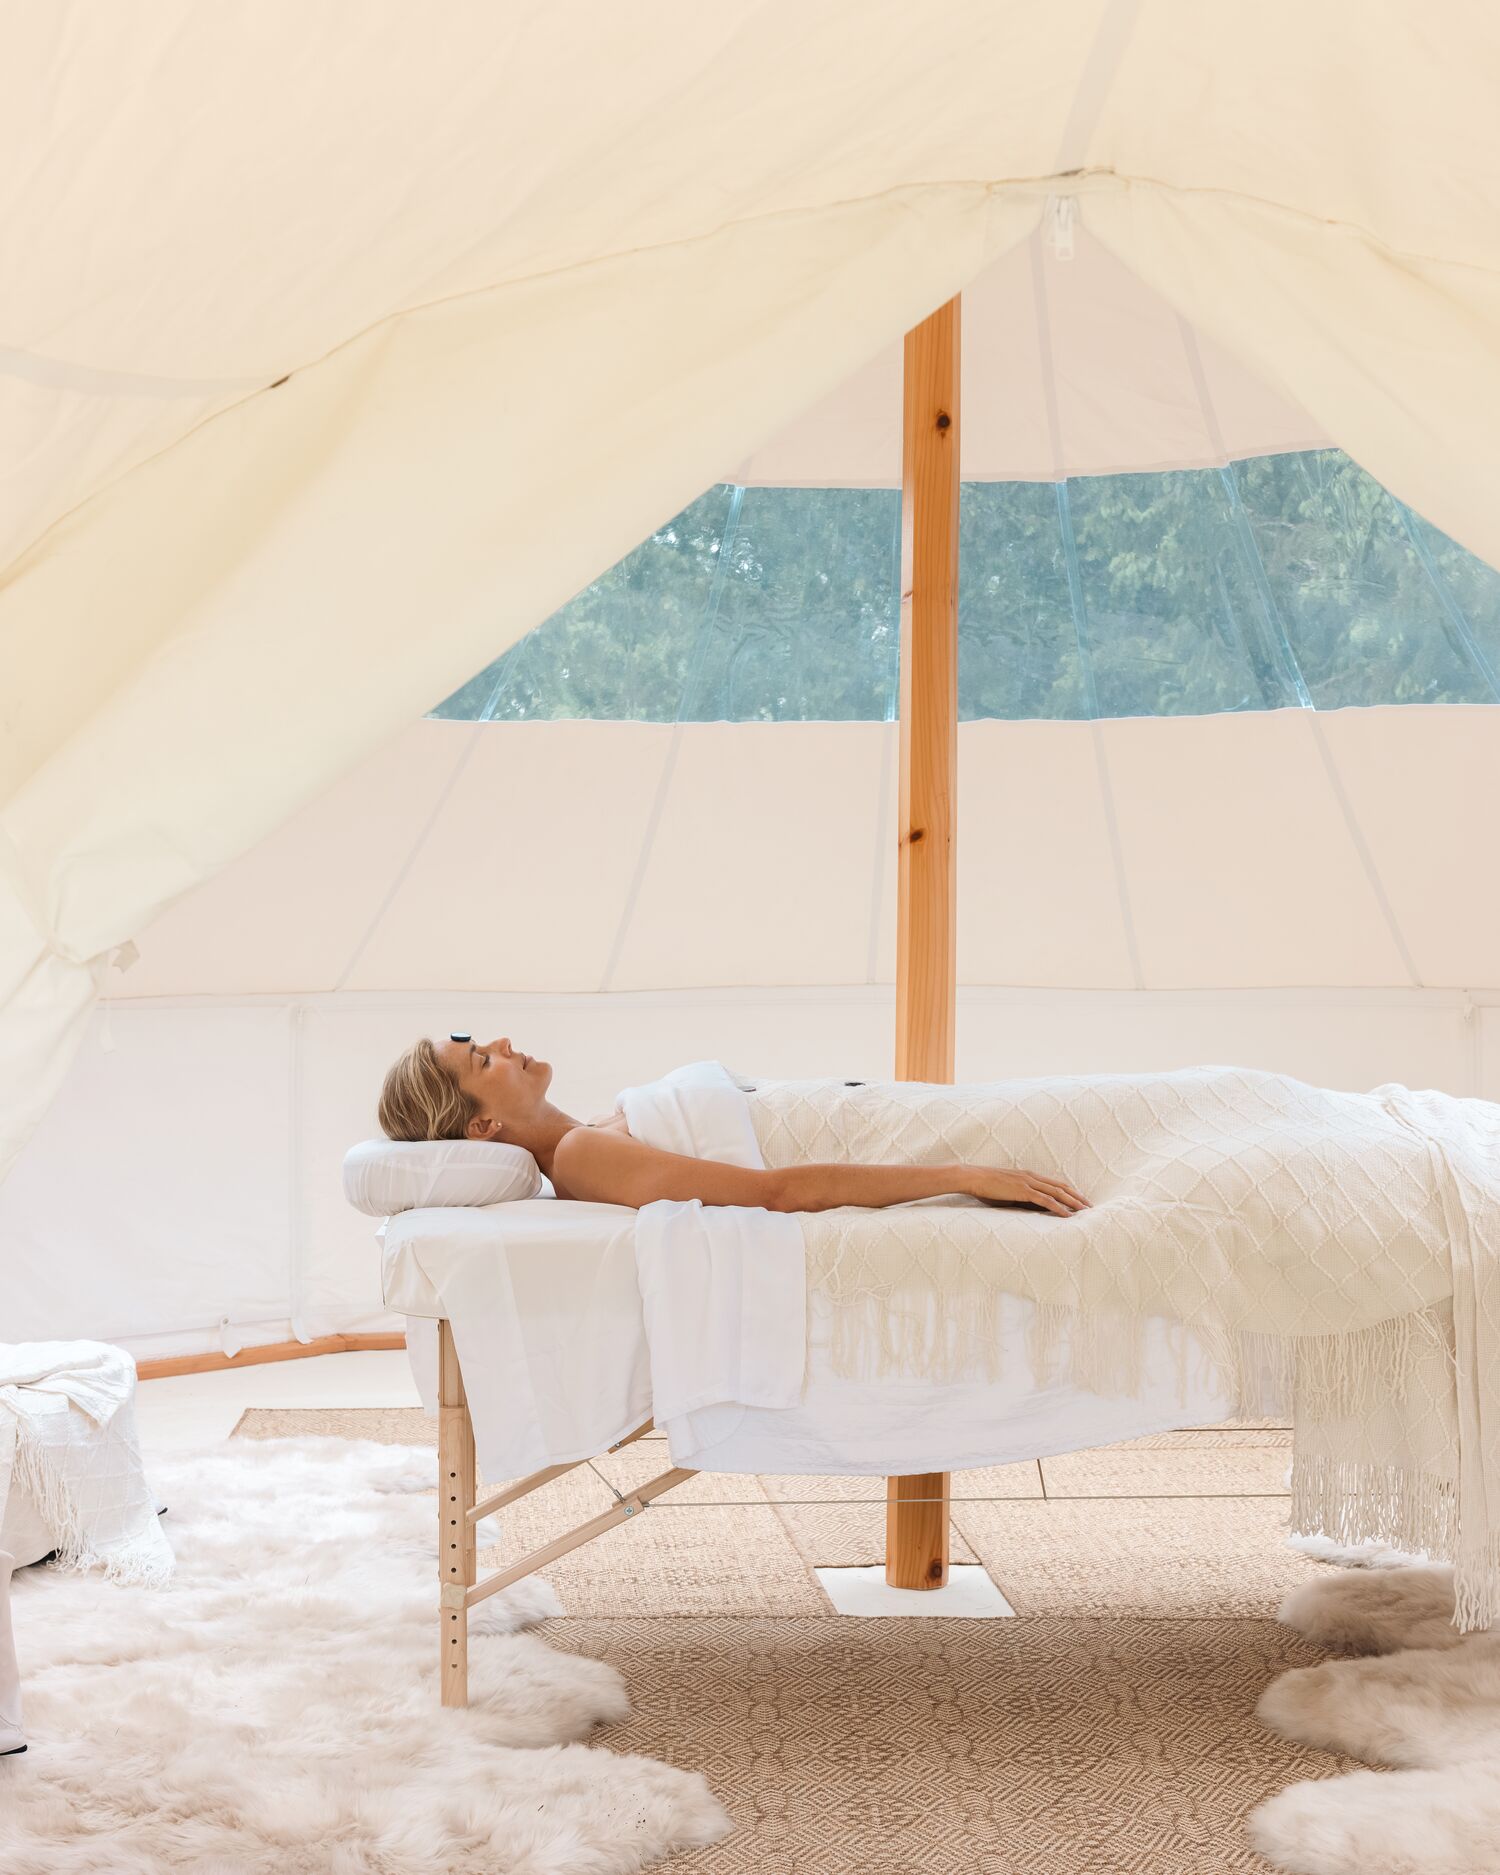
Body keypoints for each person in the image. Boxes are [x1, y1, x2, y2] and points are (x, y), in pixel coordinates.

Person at [377, 1034, 1090, 1217]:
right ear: (483, 1124)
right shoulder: (581, 1155)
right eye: (481, 1059)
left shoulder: (589, 1133)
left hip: (869, 1114)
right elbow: (773, 1192)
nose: (503, 1042)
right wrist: (962, 1175)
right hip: (877, 1138)